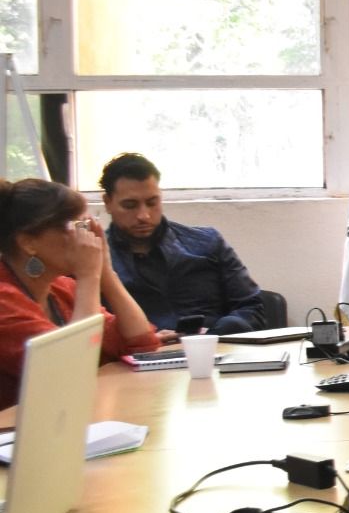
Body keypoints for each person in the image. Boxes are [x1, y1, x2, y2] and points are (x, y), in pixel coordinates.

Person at [0, 178, 160, 409]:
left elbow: (142, 344)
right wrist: (88, 276)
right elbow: (70, 370)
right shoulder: (4, 300)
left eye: (85, 227)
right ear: (28, 243)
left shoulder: (61, 288)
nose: (86, 240)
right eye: (75, 228)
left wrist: (105, 271)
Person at [100, 153, 267, 336]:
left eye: (152, 203)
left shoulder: (207, 243)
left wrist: (211, 335)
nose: (144, 215)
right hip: (138, 358)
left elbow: (252, 308)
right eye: (130, 205)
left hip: (215, 353)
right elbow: (90, 332)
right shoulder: (95, 262)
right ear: (108, 203)